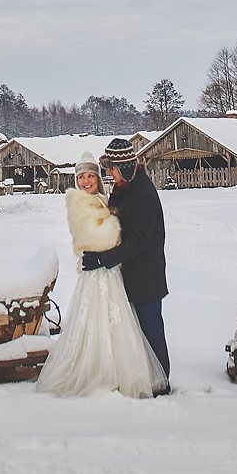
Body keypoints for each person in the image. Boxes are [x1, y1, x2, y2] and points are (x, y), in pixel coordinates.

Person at [35, 153, 166, 399]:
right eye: (81, 177)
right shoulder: (80, 202)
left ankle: (121, 370)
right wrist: (118, 226)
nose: (85, 182)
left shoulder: (104, 198)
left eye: (90, 176)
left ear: (98, 178)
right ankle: (97, 372)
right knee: (97, 323)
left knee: (118, 326)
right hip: (98, 274)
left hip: (112, 271)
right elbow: (101, 238)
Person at [81, 137, 170, 391]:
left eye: (113, 169)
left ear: (127, 167)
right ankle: (147, 377)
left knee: (151, 330)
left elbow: (139, 240)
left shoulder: (142, 193)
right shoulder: (125, 188)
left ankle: (162, 381)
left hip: (146, 275)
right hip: (130, 273)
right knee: (137, 334)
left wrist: (103, 258)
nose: (109, 174)